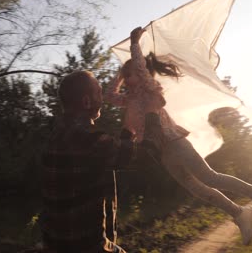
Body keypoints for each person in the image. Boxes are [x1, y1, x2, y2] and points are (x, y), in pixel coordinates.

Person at [105, 27, 252, 245]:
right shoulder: (129, 99)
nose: (128, 77)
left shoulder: (149, 89)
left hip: (175, 142)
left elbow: (141, 70)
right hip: (162, 153)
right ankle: (239, 213)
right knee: (196, 188)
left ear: (142, 75)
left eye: (130, 73)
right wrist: (120, 74)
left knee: (209, 176)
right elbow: (109, 96)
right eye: (126, 75)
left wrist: (135, 45)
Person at [41, 70, 166, 253]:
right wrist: (153, 112)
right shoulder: (88, 138)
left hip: (56, 245)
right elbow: (148, 155)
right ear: (86, 101)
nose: (103, 99)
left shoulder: (56, 136)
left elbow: (107, 157)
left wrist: (128, 131)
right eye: (99, 92)